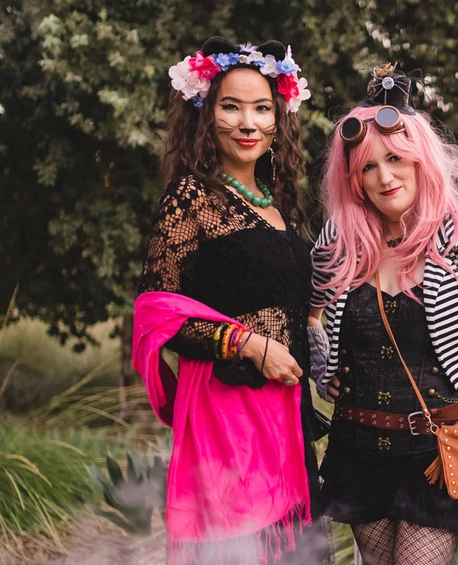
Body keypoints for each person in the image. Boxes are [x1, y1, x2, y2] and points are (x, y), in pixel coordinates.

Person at [307, 64, 458, 565]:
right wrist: (323, 367)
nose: (385, 177)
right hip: (358, 444)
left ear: (420, 158)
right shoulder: (338, 241)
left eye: (397, 159)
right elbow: (310, 313)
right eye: (367, 167)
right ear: (352, 177)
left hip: (436, 451)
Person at [131, 37, 329, 564]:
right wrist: (247, 345)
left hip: (287, 414)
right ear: (205, 113)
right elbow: (157, 311)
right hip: (226, 416)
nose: (249, 122)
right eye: (231, 106)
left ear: (277, 118)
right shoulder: (190, 197)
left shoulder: (279, 202)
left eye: (262, 108)